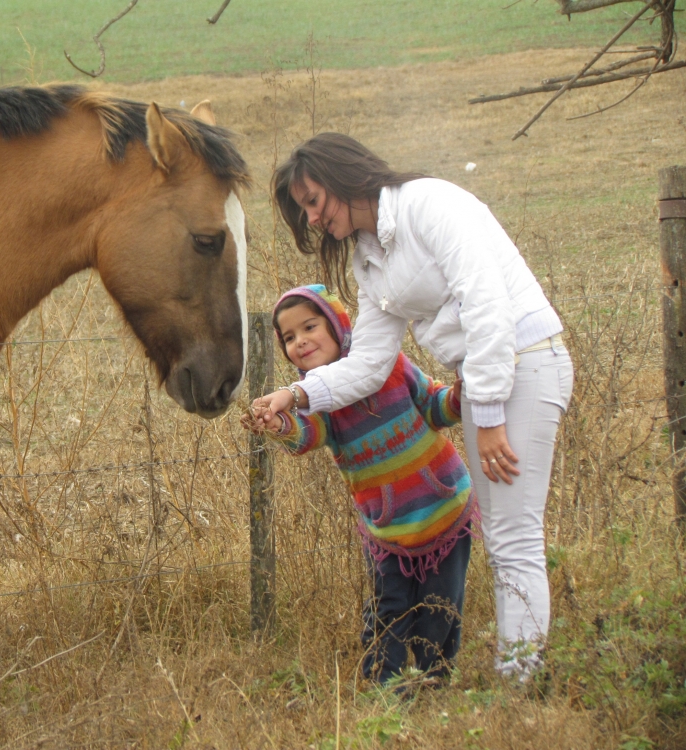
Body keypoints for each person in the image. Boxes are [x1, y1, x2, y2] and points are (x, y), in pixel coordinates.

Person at [253, 133, 573, 680]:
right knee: (501, 537)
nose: (310, 219)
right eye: (302, 208)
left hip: (525, 359)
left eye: (312, 201)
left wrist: (491, 415)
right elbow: (370, 363)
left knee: (514, 537)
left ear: (340, 176)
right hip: (486, 380)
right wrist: (298, 394)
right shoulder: (370, 259)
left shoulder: (428, 203)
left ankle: (521, 683)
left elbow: (487, 302)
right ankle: (519, 675)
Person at [243, 284, 476, 685]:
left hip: (443, 509)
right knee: (388, 608)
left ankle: (432, 681)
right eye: (289, 337)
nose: (300, 342)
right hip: (386, 528)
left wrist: (458, 397)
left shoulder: (391, 365)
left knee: (439, 610)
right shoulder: (316, 398)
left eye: (310, 327)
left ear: (338, 326)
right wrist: (277, 424)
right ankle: (381, 689)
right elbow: (305, 435)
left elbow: (435, 408)